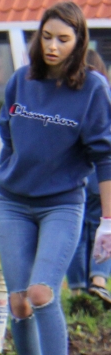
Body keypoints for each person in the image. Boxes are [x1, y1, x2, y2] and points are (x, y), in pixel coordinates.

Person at [0, 1, 111, 355]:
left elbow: (106, 158)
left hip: (61, 204)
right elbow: (9, 148)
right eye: (46, 36)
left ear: (78, 43)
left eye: (63, 39)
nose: (52, 46)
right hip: (14, 202)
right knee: (18, 303)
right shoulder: (22, 81)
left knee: (40, 293)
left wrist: (108, 221)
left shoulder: (92, 89)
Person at [66, 51, 111, 308]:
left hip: (77, 174)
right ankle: (99, 281)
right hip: (104, 178)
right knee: (103, 227)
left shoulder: (72, 97)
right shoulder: (106, 94)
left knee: (77, 233)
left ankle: (76, 290)